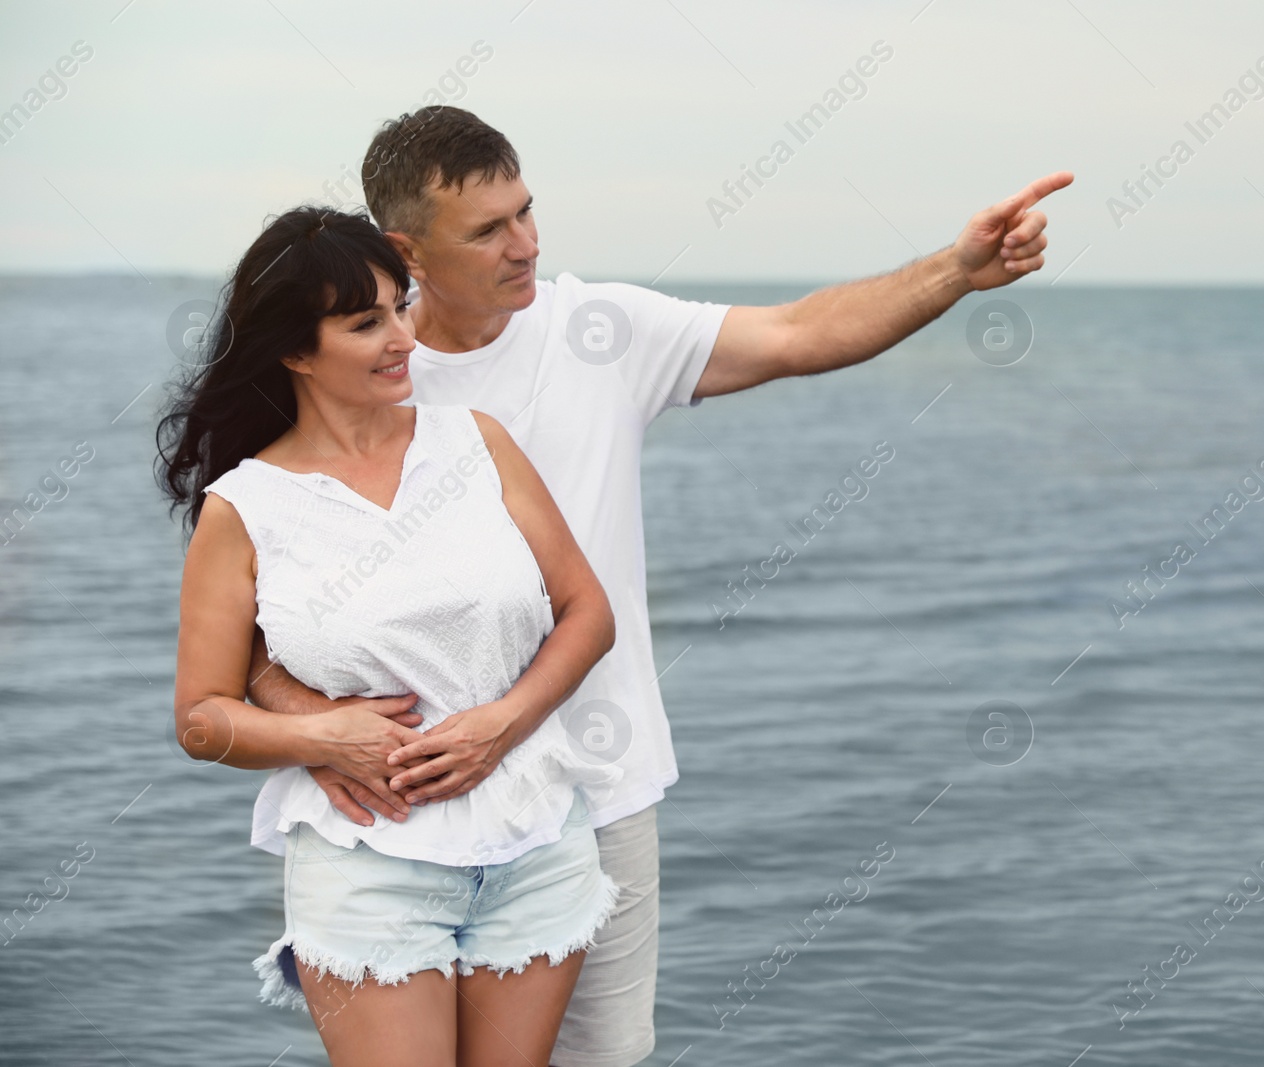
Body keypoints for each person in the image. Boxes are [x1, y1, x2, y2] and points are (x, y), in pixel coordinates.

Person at [246, 105, 1071, 1067]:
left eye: (526, 211)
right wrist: (317, 729)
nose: (527, 244)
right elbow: (253, 617)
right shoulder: (354, 373)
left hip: (595, 789)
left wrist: (957, 271)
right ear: (406, 249)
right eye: (488, 229)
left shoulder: (600, 330)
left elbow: (798, 334)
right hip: (390, 817)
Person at [158, 207, 623, 1067]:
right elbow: (200, 715)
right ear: (296, 350)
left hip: (537, 841)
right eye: (366, 321)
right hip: (370, 865)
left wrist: (503, 723)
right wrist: (320, 734)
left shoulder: (476, 442)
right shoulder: (245, 508)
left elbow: (588, 611)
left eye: (400, 307)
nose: (403, 336)